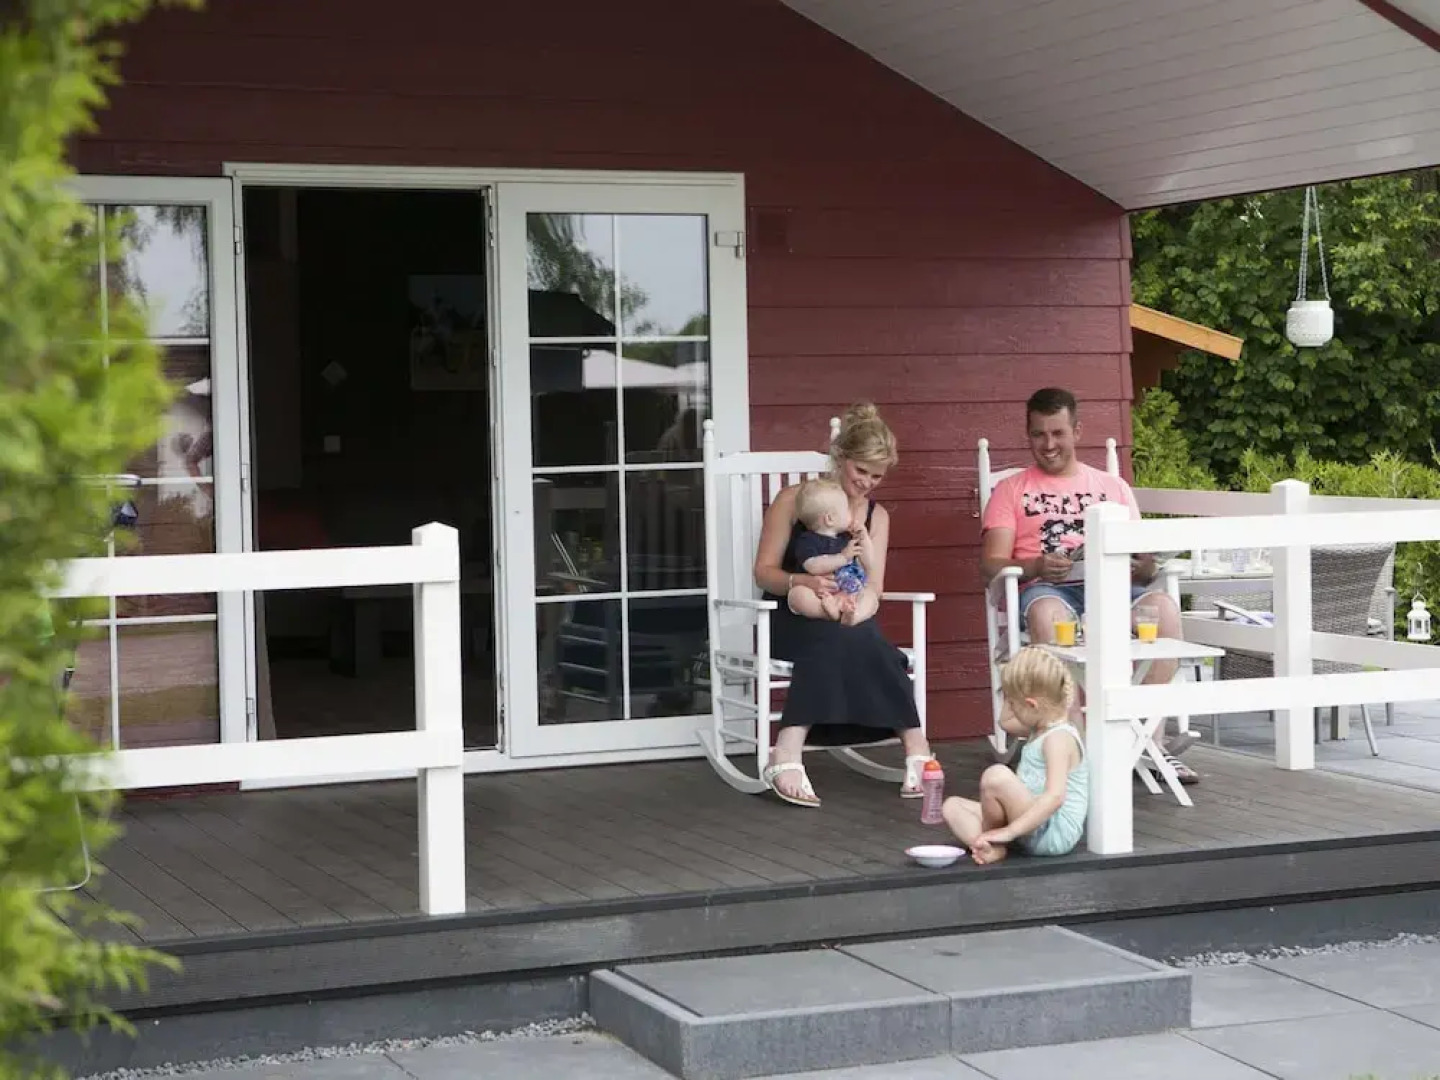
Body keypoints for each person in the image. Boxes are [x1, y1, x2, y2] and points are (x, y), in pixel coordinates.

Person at [979, 387, 1199, 783]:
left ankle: (1146, 739)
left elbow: (1144, 565)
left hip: (1115, 588)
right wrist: (1035, 565)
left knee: (1163, 609)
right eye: (1038, 434)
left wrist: (1145, 563)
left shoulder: (1113, 488)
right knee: (1049, 616)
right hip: (1050, 587)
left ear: (1077, 431)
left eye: (1057, 433)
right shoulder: (1011, 490)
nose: (1048, 445)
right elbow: (990, 565)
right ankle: (1075, 745)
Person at [752, 403, 930, 808]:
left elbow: (876, 584)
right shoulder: (794, 500)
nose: (867, 483)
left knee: (857, 632)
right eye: (860, 471)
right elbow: (764, 573)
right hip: (790, 612)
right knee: (845, 639)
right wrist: (805, 580)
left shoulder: (876, 516)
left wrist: (857, 606)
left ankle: (790, 746)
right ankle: (914, 744)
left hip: (847, 610)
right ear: (841, 459)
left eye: (877, 476)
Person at [942, 646, 1087, 863]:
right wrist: (1013, 688)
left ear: (1031, 705)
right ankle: (989, 845)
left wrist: (1009, 832)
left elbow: (1054, 798)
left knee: (996, 776)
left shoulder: (1058, 739)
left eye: (1011, 703)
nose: (1010, 708)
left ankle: (996, 842)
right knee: (952, 807)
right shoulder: (1039, 726)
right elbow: (1005, 722)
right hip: (1027, 822)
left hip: (1051, 832)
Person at [786, 478, 868, 621]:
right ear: (829, 519)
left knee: (869, 594)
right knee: (797, 594)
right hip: (818, 594)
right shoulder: (808, 540)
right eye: (847, 509)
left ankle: (850, 613)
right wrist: (842, 558)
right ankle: (826, 611)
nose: (851, 513)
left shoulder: (846, 538)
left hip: (846, 590)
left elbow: (869, 563)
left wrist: (864, 538)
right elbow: (812, 566)